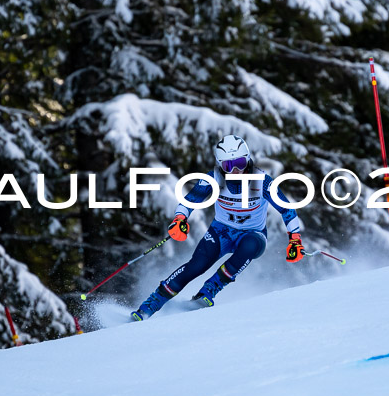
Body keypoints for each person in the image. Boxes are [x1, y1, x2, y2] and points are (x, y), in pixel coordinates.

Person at [131, 134, 306, 321]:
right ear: (221, 165)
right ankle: (150, 305)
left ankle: (207, 292)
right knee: (195, 266)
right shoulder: (213, 178)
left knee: (249, 247)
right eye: (229, 166)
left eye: (239, 162)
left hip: (252, 234)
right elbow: (189, 200)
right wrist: (179, 219)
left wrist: (295, 238)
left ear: (247, 158)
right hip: (221, 231)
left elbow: (287, 209)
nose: (236, 170)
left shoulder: (262, 181)